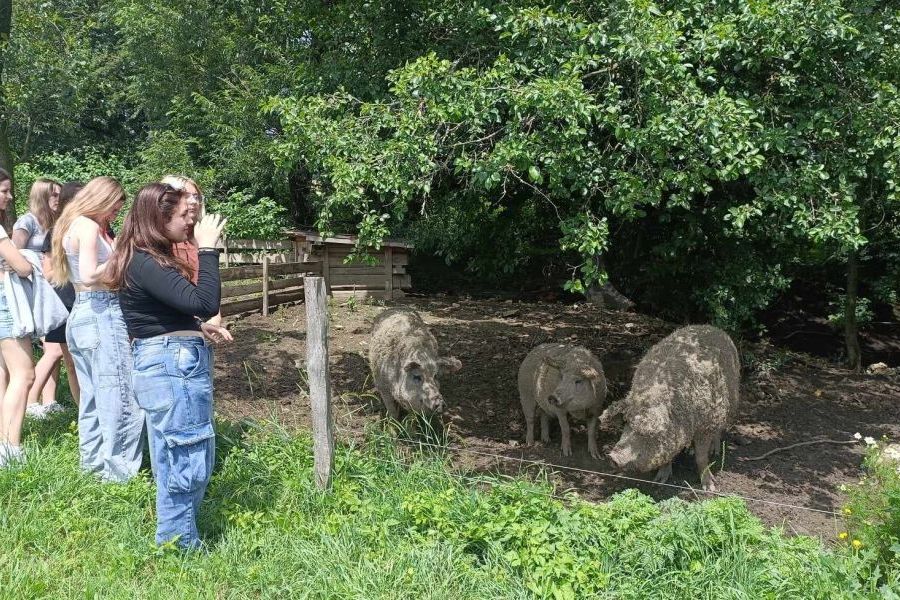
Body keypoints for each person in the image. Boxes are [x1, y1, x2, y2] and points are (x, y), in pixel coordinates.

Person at [103, 182, 226, 549]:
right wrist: (207, 250)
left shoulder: (145, 258)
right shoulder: (146, 260)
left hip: (168, 358)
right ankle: (178, 543)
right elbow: (205, 301)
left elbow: (168, 312)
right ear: (159, 219)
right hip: (172, 366)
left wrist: (196, 327)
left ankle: (175, 537)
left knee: (175, 453)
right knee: (187, 454)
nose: (190, 223)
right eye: (182, 217)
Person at [50, 176, 144, 482]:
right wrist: (122, 254)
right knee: (119, 395)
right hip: (102, 311)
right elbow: (91, 274)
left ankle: (91, 467)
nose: (116, 213)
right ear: (103, 199)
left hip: (81, 314)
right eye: (115, 206)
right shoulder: (89, 227)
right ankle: (119, 476)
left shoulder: (71, 224)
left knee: (91, 397)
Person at [15, 179, 68, 417]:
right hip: (34, 289)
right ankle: (31, 401)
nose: (58, 199)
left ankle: (49, 400)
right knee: (54, 349)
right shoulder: (26, 222)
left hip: (54, 289)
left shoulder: (55, 223)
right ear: (41, 196)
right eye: (53, 195)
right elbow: (13, 256)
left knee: (53, 348)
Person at [30, 182, 83, 414]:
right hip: (66, 301)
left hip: (90, 301)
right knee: (71, 362)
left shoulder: (103, 228)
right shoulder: (56, 232)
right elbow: (48, 272)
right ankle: (84, 411)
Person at [0, 168, 37, 466]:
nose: (9, 197)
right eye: (4, 191)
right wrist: (25, 263)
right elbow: (22, 267)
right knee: (24, 374)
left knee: (3, 374)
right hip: (5, 307)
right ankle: (9, 449)